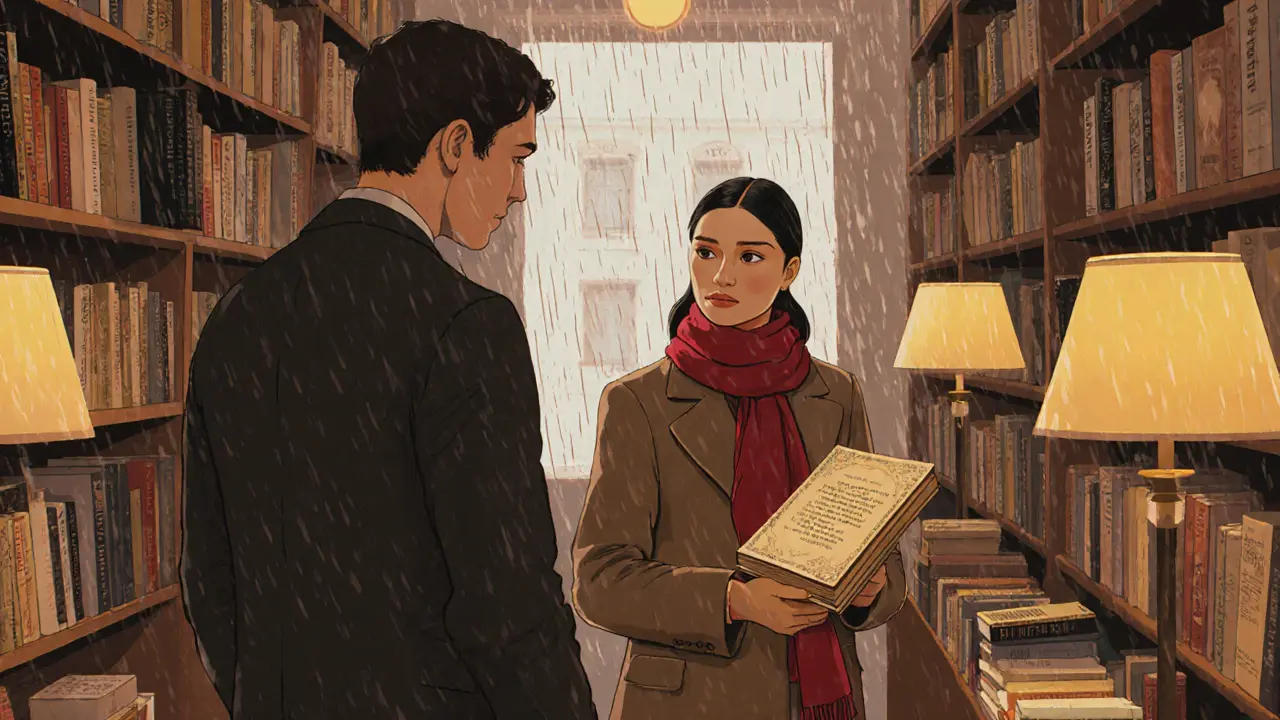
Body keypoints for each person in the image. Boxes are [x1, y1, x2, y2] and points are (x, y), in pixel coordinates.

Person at [180, 20, 595, 719]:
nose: (520, 189)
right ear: (456, 144)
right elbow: (508, 605)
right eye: (518, 157)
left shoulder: (238, 313)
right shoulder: (467, 324)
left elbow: (208, 581)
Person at [572, 177, 907, 719]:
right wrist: (736, 599)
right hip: (686, 702)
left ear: (790, 271)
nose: (721, 275)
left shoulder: (837, 394)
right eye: (706, 252)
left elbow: (883, 558)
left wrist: (870, 589)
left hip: (812, 698)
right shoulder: (638, 402)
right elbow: (600, 580)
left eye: (750, 255)